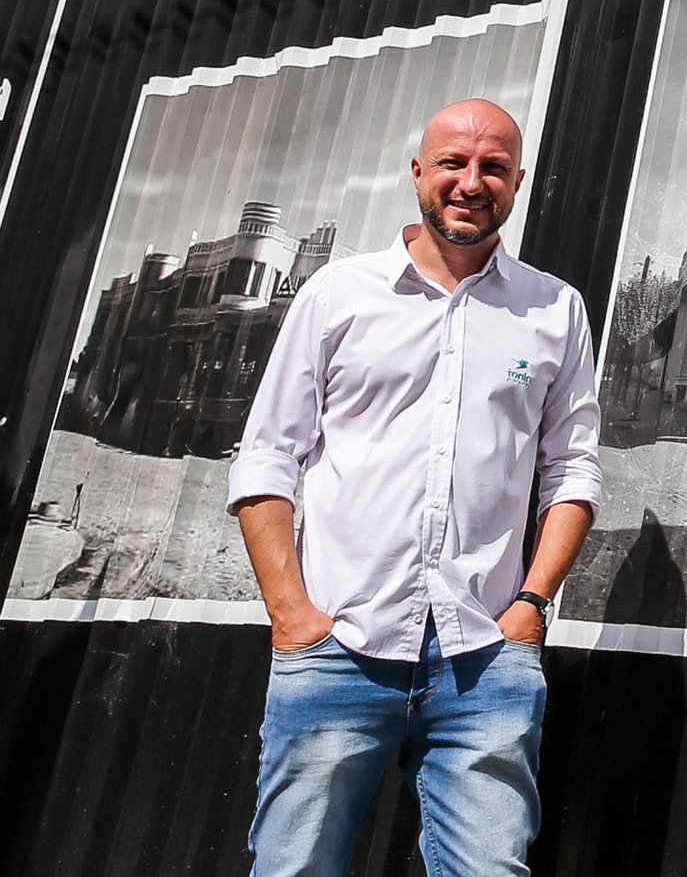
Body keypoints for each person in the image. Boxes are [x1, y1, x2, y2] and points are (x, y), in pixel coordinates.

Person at [227, 97, 602, 877]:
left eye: (493, 167)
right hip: (338, 646)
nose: (471, 182)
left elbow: (572, 469)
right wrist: (293, 615)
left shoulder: (553, 309)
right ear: (418, 172)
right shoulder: (338, 295)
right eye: (453, 163)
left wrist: (530, 607)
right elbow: (267, 459)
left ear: (517, 181)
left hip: (484, 655)